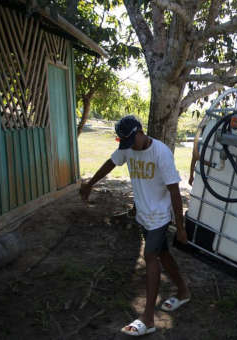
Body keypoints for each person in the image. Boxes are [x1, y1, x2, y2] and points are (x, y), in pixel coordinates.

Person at [79, 115, 190, 336]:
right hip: (143, 215)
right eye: (125, 144)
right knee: (163, 255)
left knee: (150, 256)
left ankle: (148, 318)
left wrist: (181, 226)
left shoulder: (161, 152)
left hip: (159, 215)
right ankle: (184, 291)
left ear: (140, 132)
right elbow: (112, 162)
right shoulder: (128, 146)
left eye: (132, 142)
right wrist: (90, 183)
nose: (130, 148)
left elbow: (175, 191)